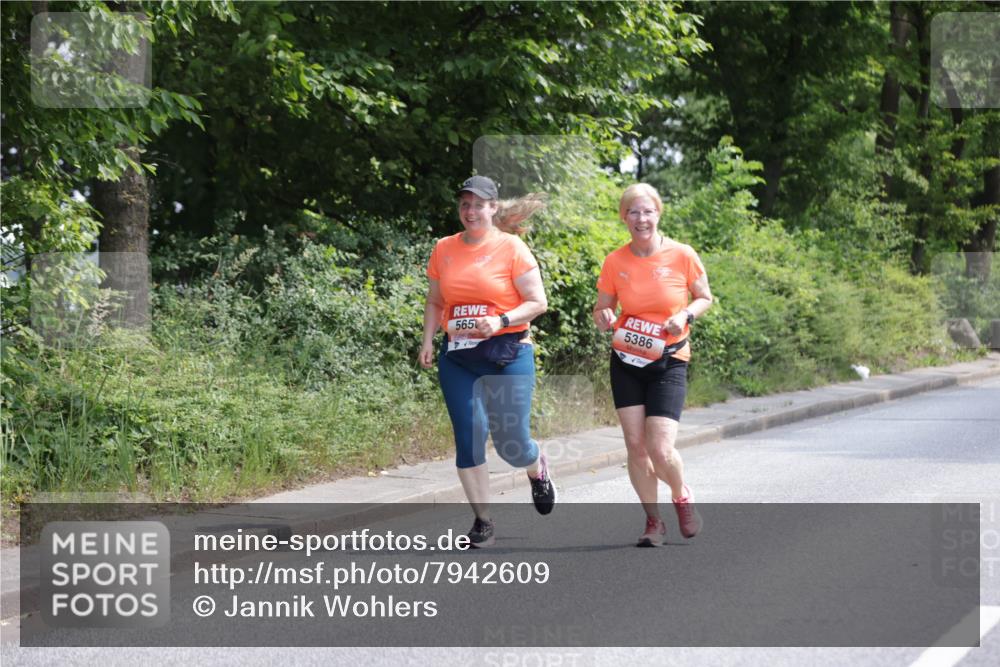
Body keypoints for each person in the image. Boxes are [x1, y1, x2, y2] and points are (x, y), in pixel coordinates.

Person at [419, 175, 555, 547]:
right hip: (459, 357)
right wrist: (428, 340)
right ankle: (483, 521)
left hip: (507, 354)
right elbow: (435, 301)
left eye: (478, 204)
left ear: (493, 208)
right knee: (469, 436)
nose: (470, 210)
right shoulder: (443, 248)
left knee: (512, 443)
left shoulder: (512, 249)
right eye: (465, 204)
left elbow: (537, 302)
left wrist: (500, 319)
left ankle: (535, 466)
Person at [592, 183, 713, 547]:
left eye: (647, 211)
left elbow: (705, 296)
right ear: (624, 217)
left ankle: (681, 495)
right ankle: (653, 522)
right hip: (627, 358)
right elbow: (602, 307)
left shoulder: (682, 254)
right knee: (635, 445)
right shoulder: (615, 261)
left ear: (658, 214)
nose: (641, 219)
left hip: (669, 359)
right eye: (633, 212)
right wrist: (604, 315)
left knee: (660, 449)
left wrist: (686, 314)